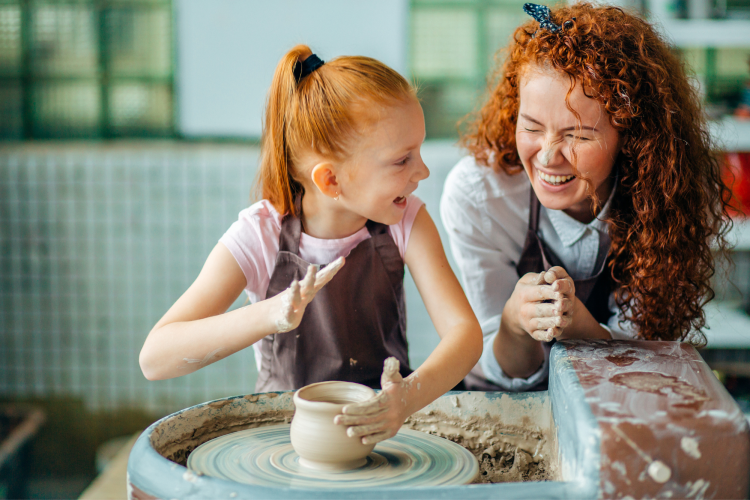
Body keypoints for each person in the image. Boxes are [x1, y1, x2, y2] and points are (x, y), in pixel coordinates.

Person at [140, 46, 483, 443]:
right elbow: (155, 358)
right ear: (330, 181)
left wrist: (404, 399)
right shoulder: (260, 236)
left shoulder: (407, 220)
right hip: (284, 439)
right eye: (402, 160)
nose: (421, 171)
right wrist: (272, 314)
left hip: (380, 429)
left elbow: (465, 334)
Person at [440, 3, 732, 391]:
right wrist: (515, 321)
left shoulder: (670, 198)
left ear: (631, 136)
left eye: (577, 136)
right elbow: (497, 362)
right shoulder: (480, 196)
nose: (546, 156)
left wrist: (580, 327)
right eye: (531, 127)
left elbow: (642, 358)